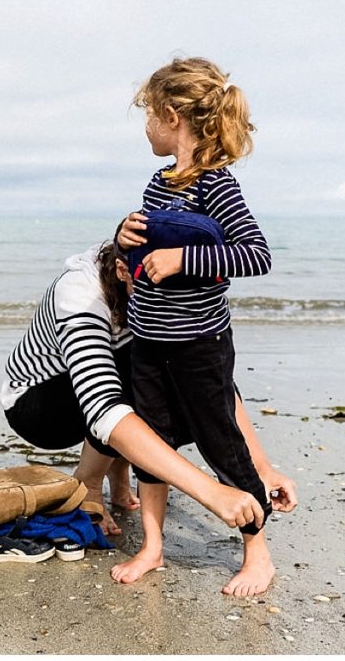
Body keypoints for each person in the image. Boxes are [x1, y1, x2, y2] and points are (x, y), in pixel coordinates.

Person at [2, 232, 295, 595]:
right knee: (131, 381)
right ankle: (88, 485)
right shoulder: (81, 295)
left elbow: (215, 384)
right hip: (39, 403)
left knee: (168, 372)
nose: (168, 301)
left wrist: (263, 468)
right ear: (125, 271)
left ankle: (118, 483)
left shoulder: (168, 284)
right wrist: (211, 492)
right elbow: (102, 406)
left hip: (110, 380)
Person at [112, 57, 276, 596]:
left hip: (200, 345)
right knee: (153, 442)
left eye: (147, 116)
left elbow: (255, 255)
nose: (144, 128)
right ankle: (153, 546)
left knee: (221, 443)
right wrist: (126, 243)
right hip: (148, 339)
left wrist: (184, 260)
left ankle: (258, 552)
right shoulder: (158, 184)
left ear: (170, 115)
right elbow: (146, 254)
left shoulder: (217, 184)